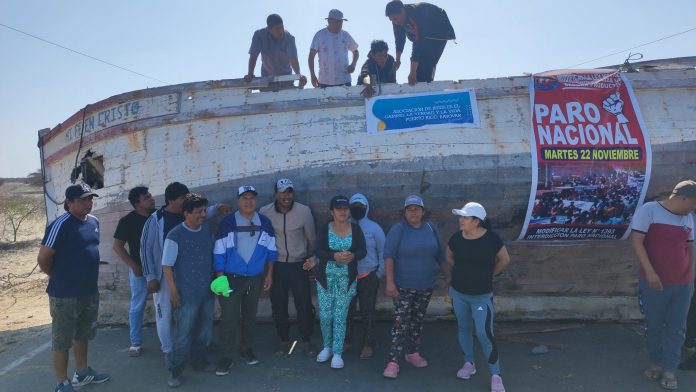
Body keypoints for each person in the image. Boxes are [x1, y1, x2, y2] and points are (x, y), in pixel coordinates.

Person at [140, 182, 229, 355]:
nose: (186, 200)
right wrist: (150, 276)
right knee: (164, 314)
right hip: (165, 275)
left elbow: (205, 212)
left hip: (189, 275)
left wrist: (218, 208)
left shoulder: (189, 215)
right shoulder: (156, 220)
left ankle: (197, 347)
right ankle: (169, 350)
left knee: (192, 314)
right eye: (182, 198)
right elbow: (145, 248)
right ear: (171, 200)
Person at [37, 184, 110, 392]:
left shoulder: (94, 221)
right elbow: (43, 259)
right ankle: (62, 383)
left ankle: (82, 372)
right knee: (62, 340)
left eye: (90, 199)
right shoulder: (59, 225)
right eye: (83, 199)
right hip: (64, 295)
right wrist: (58, 276)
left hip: (88, 291)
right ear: (69, 203)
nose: (88, 203)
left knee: (83, 334)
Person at [630, 180, 696, 390]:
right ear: (683, 197)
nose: (695, 208)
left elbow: (690, 248)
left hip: (682, 284)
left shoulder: (689, 218)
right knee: (654, 325)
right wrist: (649, 272)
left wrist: (691, 277)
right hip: (654, 282)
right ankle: (656, 363)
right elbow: (637, 241)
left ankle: (669, 369)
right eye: (694, 203)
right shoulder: (650, 211)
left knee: (678, 329)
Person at [445, 202, 511, 392]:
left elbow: (505, 260)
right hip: (459, 293)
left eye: (465, 217)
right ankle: (469, 364)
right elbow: (449, 256)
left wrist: (489, 274)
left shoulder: (492, 240)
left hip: (481, 297)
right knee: (464, 328)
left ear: (476, 221)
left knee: (484, 333)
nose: (461, 220)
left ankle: (496, 375)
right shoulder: (456, 238)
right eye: (461, 217)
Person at [214, 185, 277, 375]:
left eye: (252, 198)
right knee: (229, 319)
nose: (248, 201)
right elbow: (219, 251)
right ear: (238, 201)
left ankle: (246, 349)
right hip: (231, 278)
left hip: (255, 278)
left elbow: (271, 251)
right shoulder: (228, 222)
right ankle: (225, 356)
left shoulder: (264, 222)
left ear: (256, 201)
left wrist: (269, 274)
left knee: (250, 316)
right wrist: (220, 278)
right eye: (244, 198)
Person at [382, 194, 444, 379]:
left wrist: (449, 277)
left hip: (425, 286)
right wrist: (390, 282)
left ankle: (412, 353)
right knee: (401, 323)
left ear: (423, 211)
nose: (414, 212)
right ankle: (393, 361)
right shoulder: (398, 229)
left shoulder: (431, 228)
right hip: (403, 287)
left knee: (417, 321)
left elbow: (441, 254)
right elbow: (388, 255)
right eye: (410, 209)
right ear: (405, 212)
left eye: (417, 208)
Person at [162, 193, 216, 387]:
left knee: (205, 331)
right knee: (183, 334)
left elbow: (212, 258)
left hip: (207, 292)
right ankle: (176, 370)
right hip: (186, 294)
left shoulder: (207, 230)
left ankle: (199, 361)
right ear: (186, 213)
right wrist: (173, 291)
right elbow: (167, 266)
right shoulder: (175, 235)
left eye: (204, 210)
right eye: (199, 211)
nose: (203, 215)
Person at [259, 178, 318, 357]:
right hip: (276, 266)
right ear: (276, 194)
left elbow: (312, 238)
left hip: (298, 265)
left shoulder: (304, 211)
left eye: (290, 192)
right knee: (278, 304)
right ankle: (284, 340)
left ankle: (306, 340)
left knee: (304, 305)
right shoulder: (265, 212)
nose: (287, 196)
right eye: (283, 192)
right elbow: (263, 240)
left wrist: (308, 258)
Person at [314, 195, 367, 369]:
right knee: (326, 315)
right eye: (338, 208)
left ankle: (337, 352)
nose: (342, 211)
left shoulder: (356, 230)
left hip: (346, 279)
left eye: (345, 208)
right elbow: (318, 251)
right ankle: (326, 347)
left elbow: (362, 251)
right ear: (332, 211)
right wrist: (333, 256)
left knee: (340, 316)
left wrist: (353, 256)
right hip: (326, 279)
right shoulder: (325, 229)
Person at [112, 186, 156, 357]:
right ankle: (135, 342)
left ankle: (170, 339)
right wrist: (134, 266)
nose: (151, 199)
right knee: (137, 306)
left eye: (150, 195)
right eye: (146, 198)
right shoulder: (127, 221)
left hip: (161, 269)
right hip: (140, 271)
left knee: (166, 303)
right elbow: (117, 247)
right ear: (137, 204)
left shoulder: (157, 216)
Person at [346, 193, 386, 359]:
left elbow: (383, 251)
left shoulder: (374, 228)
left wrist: (379, 274)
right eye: (354, 206)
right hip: (347, 276)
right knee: (347, 311)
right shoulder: (343, 226)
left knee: (367, 311)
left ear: (367, 208)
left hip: (368, 276)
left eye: (361, 207)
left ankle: (369, 343)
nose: (357, 210)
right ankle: (347, 341)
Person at [385, 1, 455, 85]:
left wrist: (412, 72)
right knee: (418, 70)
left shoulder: (416, 14)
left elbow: (418, 44)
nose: (395, 22)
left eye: (395, 19)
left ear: (402, 11)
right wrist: (398, 60)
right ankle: (420, 84)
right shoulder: (396, 21)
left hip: (438, 32)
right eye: (391, 20)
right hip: (422, 36)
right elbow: (399, 39)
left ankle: (427, 85)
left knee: (426, 64)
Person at [244, 14, 307, 90]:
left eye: (282, 27)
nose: (281, 31)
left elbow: (293, 59)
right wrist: (250, 73)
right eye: (277, 29)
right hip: (267, 81)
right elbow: (253, 55)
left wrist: (298, 75)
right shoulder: (259, 35)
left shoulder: (289, 38)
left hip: (286, 81)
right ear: (269, 29)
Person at [308, 9, 359, 88]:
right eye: (337, 22)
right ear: (329, 21)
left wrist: (353, 64)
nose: (339, 24)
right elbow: (311, 56)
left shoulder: (345, 35)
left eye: (341, 22)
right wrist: (312, 75)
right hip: (324, 82)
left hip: (344, 81)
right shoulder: (319, 35)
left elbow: (355, 51)